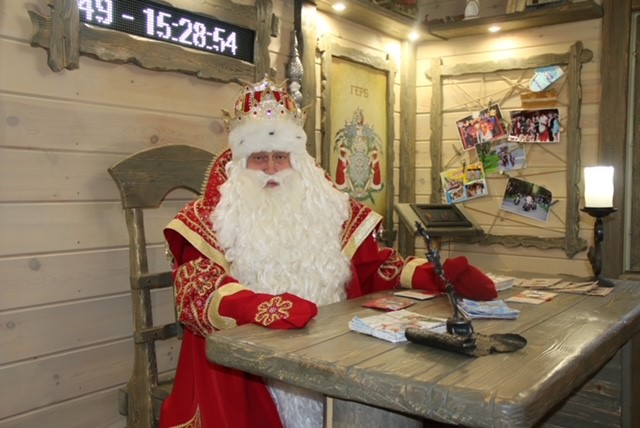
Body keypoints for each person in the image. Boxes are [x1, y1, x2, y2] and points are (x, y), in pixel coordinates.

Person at [159, 77, 498, 428]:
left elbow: (371, 265)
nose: (272, 168)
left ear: (298, 159)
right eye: (259, 158)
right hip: (248, 373)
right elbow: (196, 292)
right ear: (240, 161)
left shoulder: (326, 206)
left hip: (337, 352)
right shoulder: (211, 217)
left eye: (281, 156)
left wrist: (434, 274)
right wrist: (259, 307)